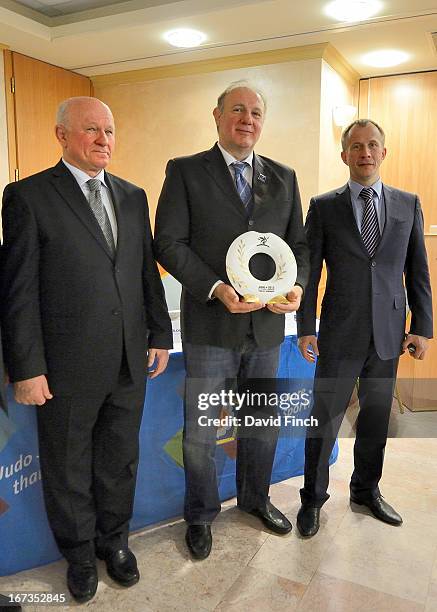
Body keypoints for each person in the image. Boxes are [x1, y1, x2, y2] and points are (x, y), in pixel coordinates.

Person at [0, 97, 172, 603]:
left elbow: (145, 273)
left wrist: (159, 333)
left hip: (129, 360)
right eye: (91, 130)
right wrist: (27, 368)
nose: (104, 140)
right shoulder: (28, 196)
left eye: (110, 131)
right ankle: (78, 555)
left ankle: (114, 543)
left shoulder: (132, 195)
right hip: (65, 367)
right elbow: (18, 292)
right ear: (61, 135)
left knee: (120, 461)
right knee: (69, 466)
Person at [154, 80, 309, 559]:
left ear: (263, 123)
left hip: (265, 330)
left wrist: (297, 286)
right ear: (217, 116)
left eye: (256, 113)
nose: (247, 119)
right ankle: (200, 516)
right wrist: (217, 289)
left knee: (261, 423)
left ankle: (255, 499)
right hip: (211, 327)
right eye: (237, 110)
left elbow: (298, 247)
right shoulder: (184, 172)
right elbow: (169, 243)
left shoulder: (285, 177)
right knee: (202, 431)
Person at [296, 119, 433, 537]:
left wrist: (423, 326)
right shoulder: (323, 206)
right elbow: (309, 267)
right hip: (338, 331)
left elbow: (418, 271)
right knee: (324, 419)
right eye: (356, 147)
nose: (365, 153)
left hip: (390, 333)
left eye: (373, 145)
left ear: (384, 152)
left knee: (375, 419)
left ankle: (365, 491)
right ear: (344, 155)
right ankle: (313, 500)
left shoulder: (408, 203)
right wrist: (305, 326)